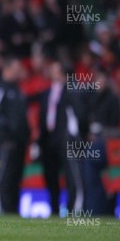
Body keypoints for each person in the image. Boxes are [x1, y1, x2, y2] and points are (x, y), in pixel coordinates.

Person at [38, 60, 85, 216]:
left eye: (56, 69)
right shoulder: (46, 92)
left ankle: (74, 211)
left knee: (72, 176)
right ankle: (54, 209)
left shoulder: (71, 90)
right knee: (50, 177)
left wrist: (79, 137)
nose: (52, 72)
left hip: (66, 139)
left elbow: (79, 116)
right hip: (48, 140)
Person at [0, 57, 30, 214]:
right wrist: (1, 136)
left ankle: (13, 211)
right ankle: (2, 209)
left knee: (15, 179)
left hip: (19, 142)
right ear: (8, 69)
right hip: (5, 142)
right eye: (17, 68)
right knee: (4, 177)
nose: (20, 71)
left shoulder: (18, 90)